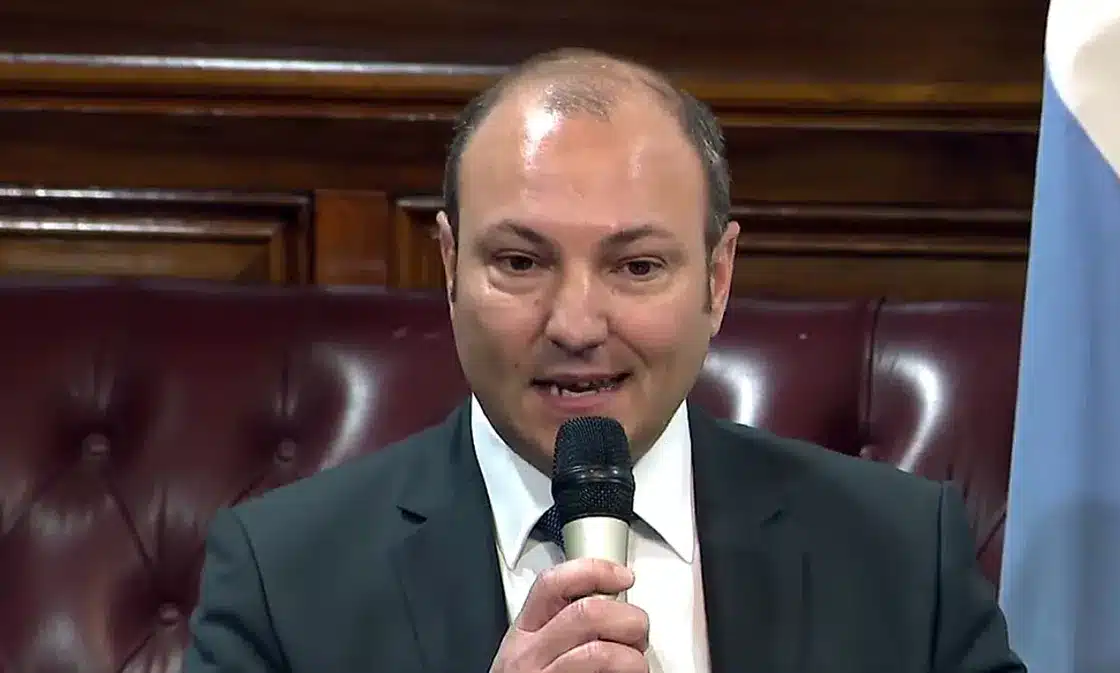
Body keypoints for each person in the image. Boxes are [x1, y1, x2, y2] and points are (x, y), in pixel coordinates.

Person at [183, 48, 1026, 673]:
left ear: (718, 278)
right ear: (449, 265)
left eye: (637, 266)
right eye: (521, 262)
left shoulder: (900, 552)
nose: (577, 324)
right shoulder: (282, 576)